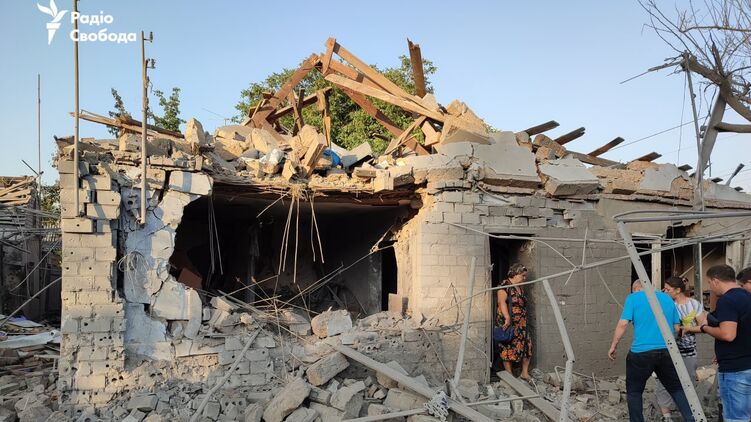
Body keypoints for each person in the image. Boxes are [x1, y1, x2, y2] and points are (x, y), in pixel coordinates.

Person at [608, 280, 695, 422]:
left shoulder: (633, 298)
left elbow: (623, 324)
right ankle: (692, 419)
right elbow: (676, 328)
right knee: (676, 389)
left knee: (634, 392)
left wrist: (613, 345)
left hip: (641, 353)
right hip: (666, 351)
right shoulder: (667, 298)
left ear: (636, 288)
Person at [685, 265, 751, 422]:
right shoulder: (747, 297)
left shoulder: (728, 300)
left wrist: (705, 328)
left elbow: (727, 334)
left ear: (715, 281)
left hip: (735, 370)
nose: (710, 288)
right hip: (747, 365)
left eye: (709, 283)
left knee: (736, 418)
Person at [654, 276, 702, 421]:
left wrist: (687, 329)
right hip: (667, 351)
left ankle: (688, 414)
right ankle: (666, 416)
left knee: (688, 382)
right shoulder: (665, 304)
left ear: (678, 290)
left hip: (688, 351)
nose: (664, 291)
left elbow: (703, 326)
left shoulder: (694, 304)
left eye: (668, 289)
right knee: (663, 382)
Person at [497, 263, 532, 380]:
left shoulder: (520, 287)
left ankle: (524, 373)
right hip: (509, 322)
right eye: (523, 275)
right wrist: (507, 318)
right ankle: (509, 374)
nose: (524, 278)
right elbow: (501, 302)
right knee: (508, 346)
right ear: (515, 274)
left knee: (527, 345)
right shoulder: (504, 285)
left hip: (522, 322)